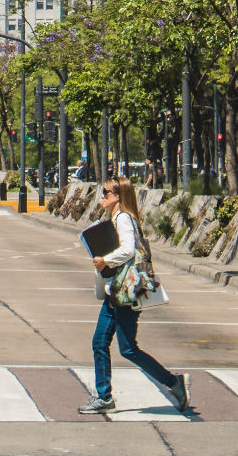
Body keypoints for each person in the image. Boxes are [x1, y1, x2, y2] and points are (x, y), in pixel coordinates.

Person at [79, 177, 187, 416]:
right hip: (116, 292)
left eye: (107, 193)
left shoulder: (124, 219)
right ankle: (103, 396)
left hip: (125, 293)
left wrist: (105, 260)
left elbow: (128, 250)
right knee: (100, 342)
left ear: (119, 196)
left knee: (128, 348)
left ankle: (173, 383)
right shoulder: (114, 219)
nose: (102, 196)